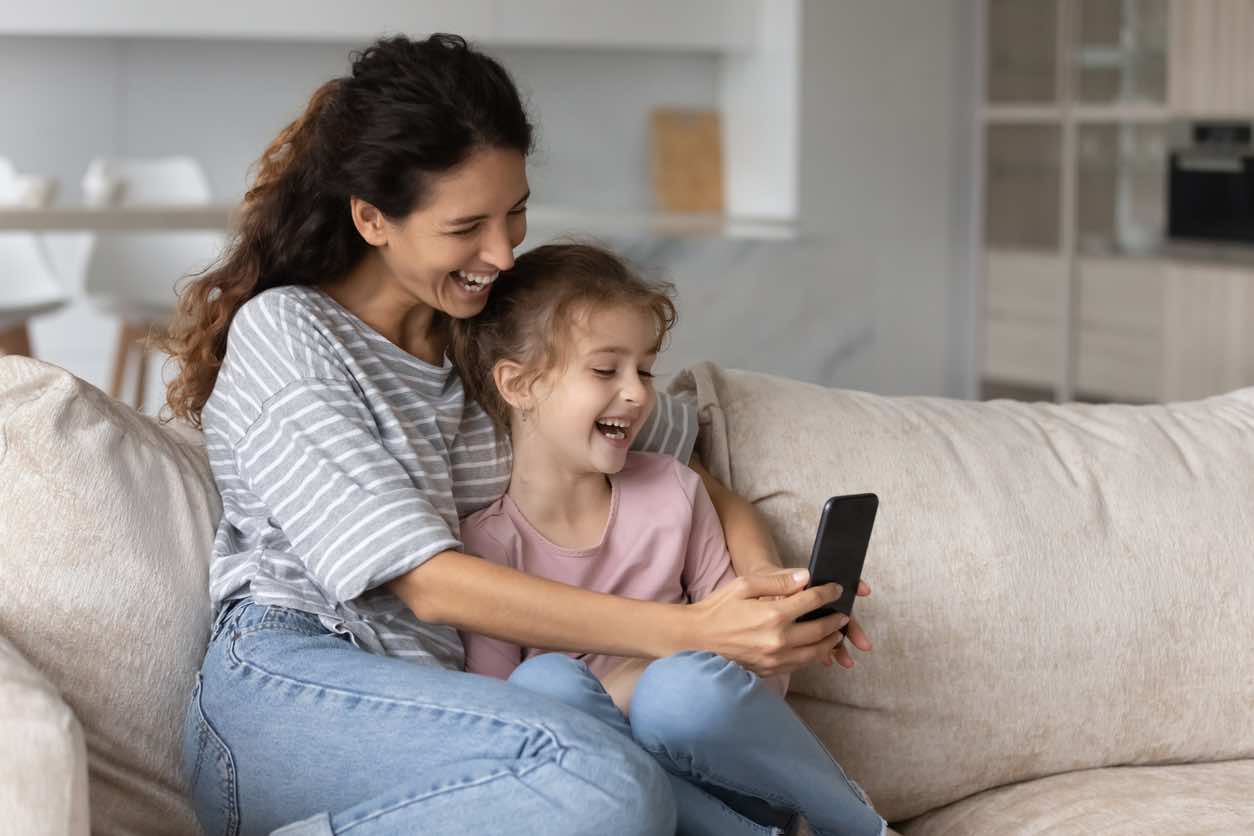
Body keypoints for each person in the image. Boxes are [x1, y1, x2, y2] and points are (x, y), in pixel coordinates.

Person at [163, 33, 871, 836]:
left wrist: (770, 598)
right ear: (372, 218)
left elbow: (691, 472)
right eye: (468, 226)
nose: (502, 252)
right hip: (290, 685)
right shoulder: (290, 333)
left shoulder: (497, 346)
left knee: (609, 781)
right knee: (606, 783)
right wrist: (694, 631)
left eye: (516, 212)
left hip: (453, 703)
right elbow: (426, 582)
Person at [450, 243, 884, 836]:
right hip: (631, 804)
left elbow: (758, 672)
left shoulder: (674, 492)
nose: (636, 393)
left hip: (730, 770)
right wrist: (635, 681)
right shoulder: (487, 550)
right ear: (519, 384)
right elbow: (506, 738)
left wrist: (782, 616)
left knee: (678, 692)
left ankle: (864, 827)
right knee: (542, 688)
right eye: (606, 370)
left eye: (645, 370)